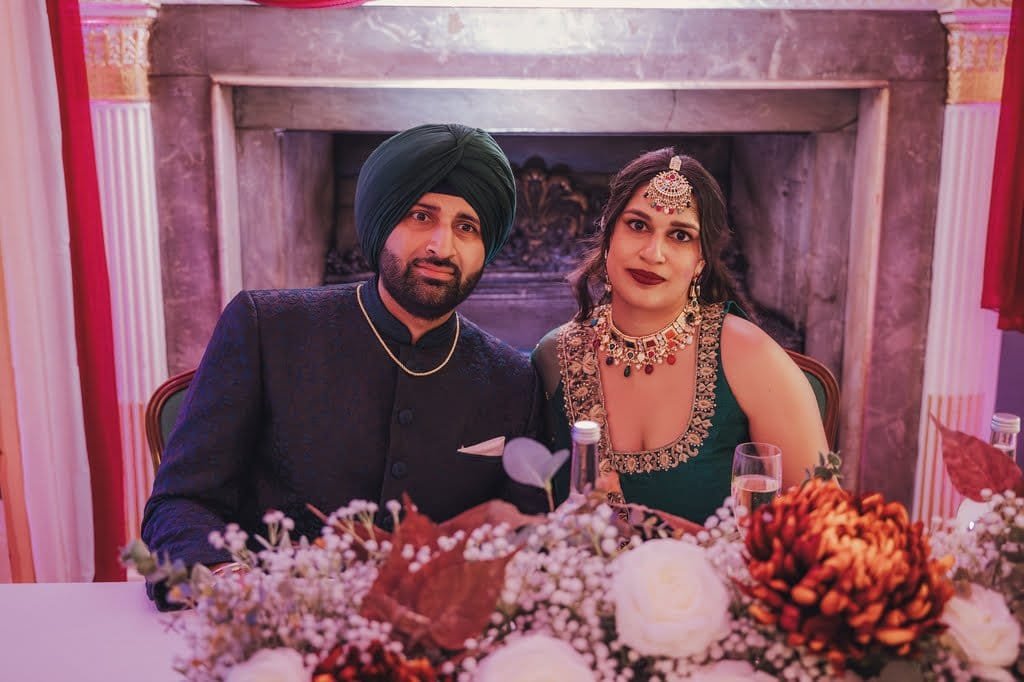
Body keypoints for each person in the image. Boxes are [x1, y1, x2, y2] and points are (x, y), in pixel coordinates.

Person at [142, 124, 545, 604]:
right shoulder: (267, 329)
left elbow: (525, 536)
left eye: (467, 227)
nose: (442, 246)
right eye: (421, 216)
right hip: (274, 629)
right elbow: (181, 502)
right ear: (381, 223)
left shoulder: (513, 379)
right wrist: (230, 580)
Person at [533, 148, 828, 523]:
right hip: (582, 580)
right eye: (637, 225)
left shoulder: (749, 356)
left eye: (680, 235)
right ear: (608, 233)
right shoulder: (555, 358)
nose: (653, 253)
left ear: (700, 261)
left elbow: (820, 520)